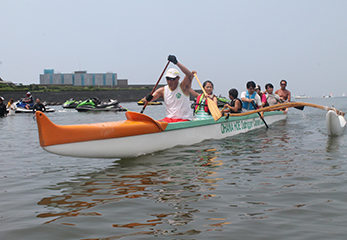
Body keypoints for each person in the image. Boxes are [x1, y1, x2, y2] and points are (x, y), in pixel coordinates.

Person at [142, 55, 195, 122]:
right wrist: (147, 98)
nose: (170, 81)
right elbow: (144, 100)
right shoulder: (162, 90)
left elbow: (189, 75)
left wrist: (176, 63)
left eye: (172, 79)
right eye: (168, 78)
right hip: (169, 119)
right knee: (155, 122)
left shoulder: (183, 87)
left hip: (184, 119)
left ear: (178, 79)